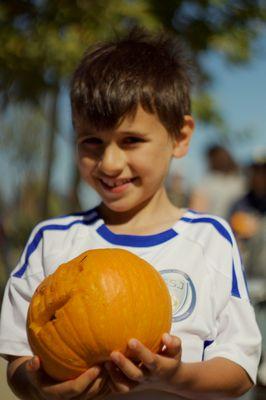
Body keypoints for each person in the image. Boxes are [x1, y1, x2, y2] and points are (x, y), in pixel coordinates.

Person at [0, 29, 261, 400]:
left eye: (131, 141)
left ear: (180, 137)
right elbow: (17, 362)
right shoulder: (52, 240)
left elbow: (239, 370)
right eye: (92, 142)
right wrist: (40, 387)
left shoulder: (209, 239)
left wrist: (174, 378)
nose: (109, 163)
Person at [189, 145, 246, 220]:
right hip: (215, 228)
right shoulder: (206, 183)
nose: (221, 160)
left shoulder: (241, 180)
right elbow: (197, 212)